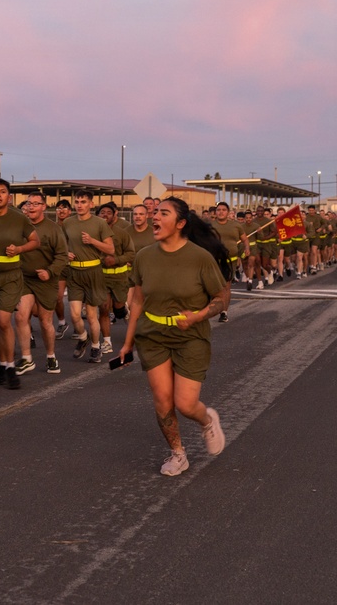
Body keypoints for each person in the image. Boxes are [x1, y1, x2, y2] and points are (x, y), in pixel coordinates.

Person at [118, 196, 229, 476]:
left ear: (180, 223)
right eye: (155, 212)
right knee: (163, 400)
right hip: (152, 335)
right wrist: (127, 342)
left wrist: (199, 315)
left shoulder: (199, 258)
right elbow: (139, 302)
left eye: (163, 213)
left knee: (186, 404)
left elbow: (221, 297)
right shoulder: (144, 256)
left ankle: (206, 421)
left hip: (190, 335)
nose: (155, 217)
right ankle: (178, 453)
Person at [0, 179, 39, 389]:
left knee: (3, 321)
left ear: (9, 197)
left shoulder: (19, 218)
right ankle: (2, 364)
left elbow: (35, 241)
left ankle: (11, 367)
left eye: (2, 192)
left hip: (10, 276)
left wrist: (19, 250)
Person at [15, 191, 68, 376]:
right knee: (21, 316)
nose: (31, 207)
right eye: (29, 204)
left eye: (36, 204)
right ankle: (27, 358)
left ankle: (51, 356)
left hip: (46, 280)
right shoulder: (21, 226)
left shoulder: (53, 229)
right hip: (25, 279)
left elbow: (62, 256)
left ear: (44, 207)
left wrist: (50, 272)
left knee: (46, 322)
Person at [63, 191, 114, 364]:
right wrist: (66, 253)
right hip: (74, 273)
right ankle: (83, 337)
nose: (79, 205)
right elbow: (63, 245)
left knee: (92, 315)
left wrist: (92, 241)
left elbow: (110, 249)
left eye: (83, 202)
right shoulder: (68, 222)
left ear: (91, 204)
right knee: (75, 315)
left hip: (93, 271)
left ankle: (95, 346)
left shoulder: (99, 223)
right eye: (76, 201)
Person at [97, 202, 135, 354]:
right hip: (101, 278)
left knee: (119, 307)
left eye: (108, 212)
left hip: (120, 278)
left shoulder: (122, 233)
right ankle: (106, 341)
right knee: (104, 309)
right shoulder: (93, 234)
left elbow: (131, 253)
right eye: (102, 212)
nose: (105, 215)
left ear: (114, 216)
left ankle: (124, 313)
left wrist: (116, 260)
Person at [209, 202, 247, 322]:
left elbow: (245, 239)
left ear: (228, 212)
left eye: (223, 210)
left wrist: (247, 248)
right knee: (213, 287)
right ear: (215, 212)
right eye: (218, 210)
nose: (221, 212)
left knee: (226, 287)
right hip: (214, 260)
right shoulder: (210, 226)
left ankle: (224, 312)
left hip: (231, 260)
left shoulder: (236, 226)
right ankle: (212, 306)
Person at [53, 198, 73, 339]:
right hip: (60, 267)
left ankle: (79, 328)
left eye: (64, 208)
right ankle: (62, 322)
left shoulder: (75, 226)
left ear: (70, 211)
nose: (61, 211)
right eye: (59, 208)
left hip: (76, 267)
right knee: (58, 297)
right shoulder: (53, 227)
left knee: (75, 300)